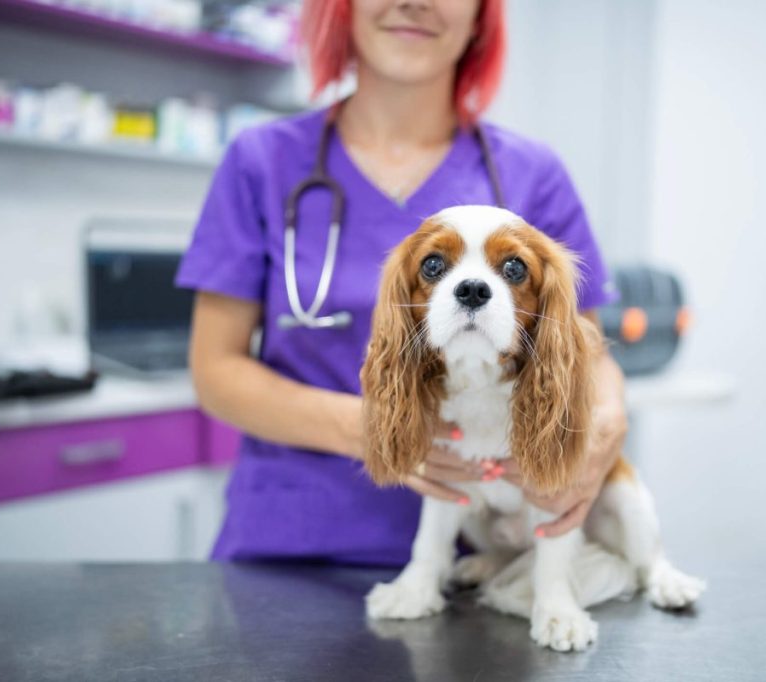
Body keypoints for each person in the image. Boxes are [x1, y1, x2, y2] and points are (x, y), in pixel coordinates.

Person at [176, 0, 628, 566]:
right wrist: (375, 428)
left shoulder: (532, 173)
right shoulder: (260, 162)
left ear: (481, 15)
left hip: (480, 558)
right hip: (292, 544)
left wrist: (605, 424)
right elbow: (214, 370)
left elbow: (586, 350)